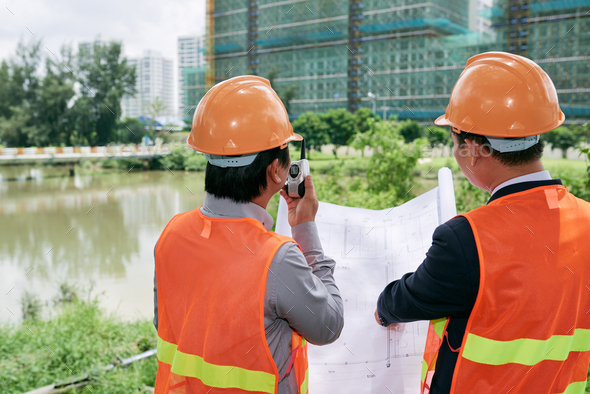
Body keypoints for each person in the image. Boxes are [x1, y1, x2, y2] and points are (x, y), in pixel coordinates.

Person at [375, 51, 590, 393]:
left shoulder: (467, 238)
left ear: (474, 149)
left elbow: (404, 301)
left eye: (455, 140)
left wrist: (383, 307)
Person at [153, 76, 344, 393]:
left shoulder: (172, 232)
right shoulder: (276, 259)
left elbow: (167, 323)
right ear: (276, 171)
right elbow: (328, 326)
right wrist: (304, 226)